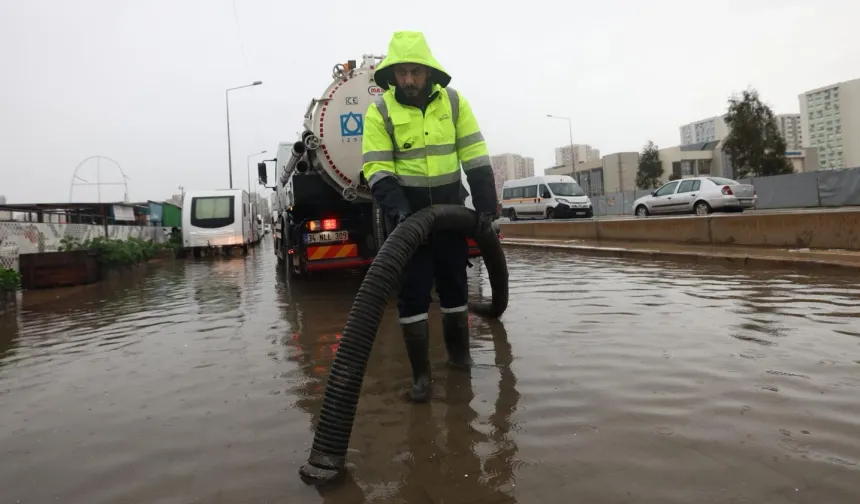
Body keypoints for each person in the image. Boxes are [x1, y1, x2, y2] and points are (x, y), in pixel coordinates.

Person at [361, 31, 497, 402]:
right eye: (402, 73)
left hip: (452, 217)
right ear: (392, 75)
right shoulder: (381, 110)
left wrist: (486, 206)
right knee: (414, 294)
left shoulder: (453, 103)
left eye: (414, 72)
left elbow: (475, 155)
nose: (408, 80)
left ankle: (460, 360)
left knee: (455, 286)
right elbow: (377, 169)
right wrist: (400, 211)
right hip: (408, 222)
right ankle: (421, 379)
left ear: (427, 71)